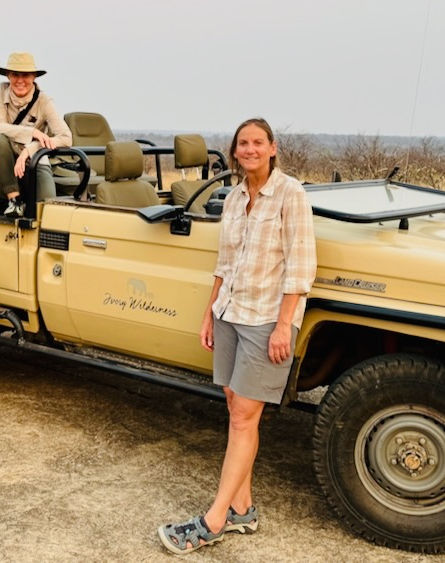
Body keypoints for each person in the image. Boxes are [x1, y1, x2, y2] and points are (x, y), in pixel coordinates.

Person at [157, 118, 317, 554]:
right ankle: (243, 508)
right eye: (242, 143)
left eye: (257, 143)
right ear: (235, 151)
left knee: (246, 416)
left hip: (267, 319)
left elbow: (302, 269)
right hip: (231, 311)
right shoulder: (234, 197)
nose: (249, 149)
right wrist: (211, 312)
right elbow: (224, 263)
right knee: (233, 405)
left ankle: (214, 519)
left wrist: (285, 324)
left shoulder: (291, 195)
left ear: (272, 148)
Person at [0, 51, 72, 217]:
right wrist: (31, 132)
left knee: (49, 207)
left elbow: (66, 138)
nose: (20, 80)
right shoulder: (1, 90)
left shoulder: (44, 101)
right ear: (8, 76)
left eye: (25, 75)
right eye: (15, 75)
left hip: (32, 159)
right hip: (1, 156)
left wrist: (30, 149)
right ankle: (14, 200)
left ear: (34, 77)